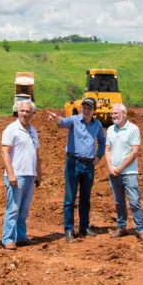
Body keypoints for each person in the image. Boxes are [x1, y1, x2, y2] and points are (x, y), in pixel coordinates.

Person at [46, 97, 106, 241]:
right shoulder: (74, 120)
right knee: (70, 198)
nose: (86, 110)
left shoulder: (97, 124)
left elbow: (102, 140)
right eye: (84, 108)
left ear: (94, 111)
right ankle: (69, 230)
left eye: (89, 108)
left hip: (89, 165)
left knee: (85, 198)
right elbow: (62, 122)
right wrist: (56, 118)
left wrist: (99, 156)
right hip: (73, 162)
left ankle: (84, 227)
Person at [105, 103, 143, 242]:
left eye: (116, 113)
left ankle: (140, 229)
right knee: (119, 202)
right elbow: (107, 150)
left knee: (134, 201)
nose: (113, 116)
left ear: (124, 114)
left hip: (129, 173)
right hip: (114, 173)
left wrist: (121, 168)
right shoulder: (111, 130)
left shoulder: (133, 129)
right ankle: (121, 226)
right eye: (112, 114)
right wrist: (110, 167)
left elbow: (134, 152)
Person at [1, 100, 42, 250]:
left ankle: (21, 236)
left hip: (29, 175)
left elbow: (36, 154)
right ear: (18, 112)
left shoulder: (33, 131)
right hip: (16, 176)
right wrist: (11, 174)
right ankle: (8, 238)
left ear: (33, 113)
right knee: (13, 208)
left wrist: (38, 173)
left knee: (24, 209)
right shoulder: (11, 129)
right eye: (22, 111)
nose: (24, 113)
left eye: (27, 111)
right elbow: (5, 152)